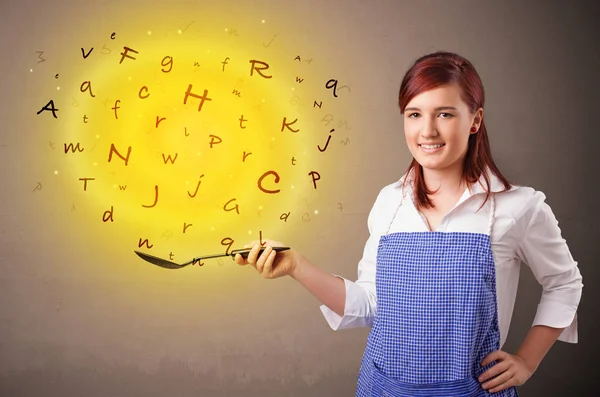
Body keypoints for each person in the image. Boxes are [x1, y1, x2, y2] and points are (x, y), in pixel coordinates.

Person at [234, 51, 583, 397]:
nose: (427, 131)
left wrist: (527, 360)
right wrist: (296, 266)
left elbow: (564, 283)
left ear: (475, 120)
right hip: (383, 389)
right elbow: (370, 305)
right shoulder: (390, 202)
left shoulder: (518, 207)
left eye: (445, 114)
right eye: (414, 114)